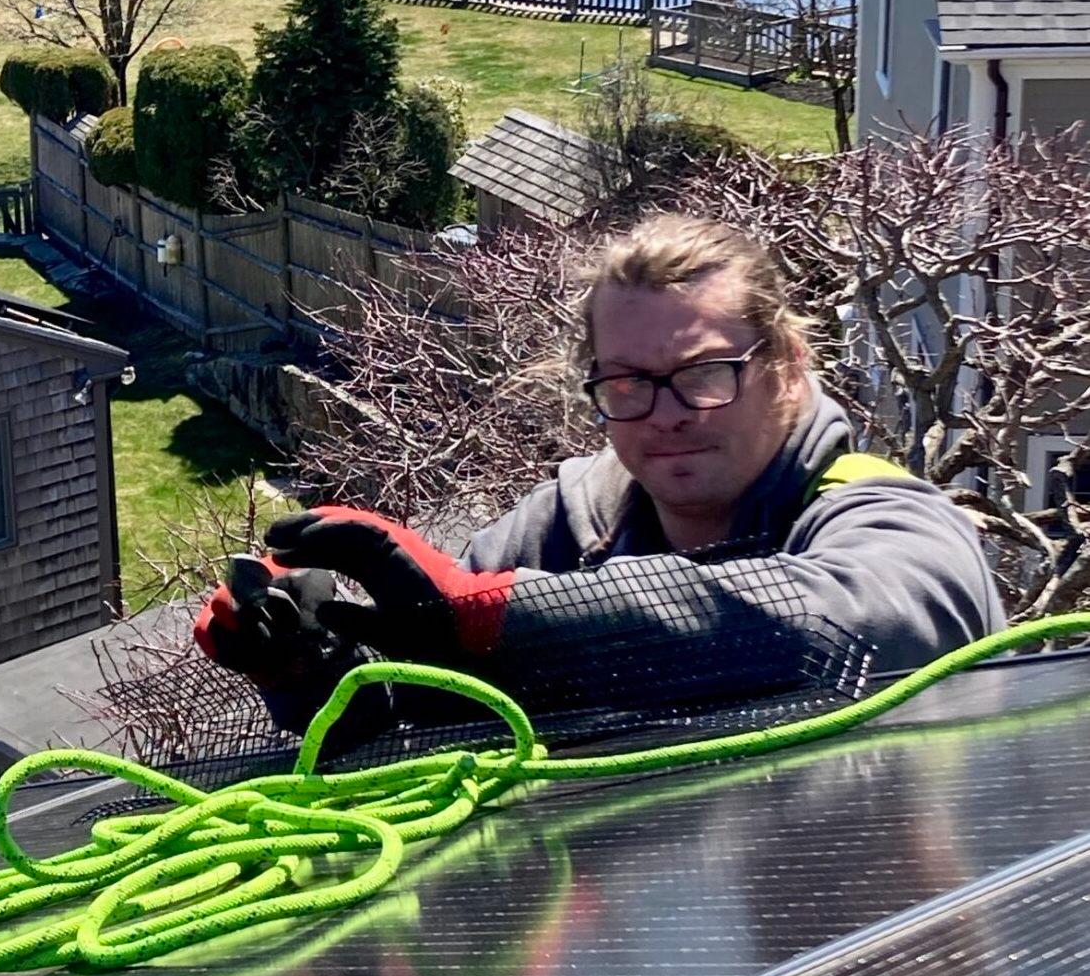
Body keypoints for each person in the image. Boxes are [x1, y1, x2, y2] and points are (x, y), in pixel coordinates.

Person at [195, 215, 1003, 733]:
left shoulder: (892, 516)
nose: (666, 413)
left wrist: (498, 619)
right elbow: (421, 713)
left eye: (706, 373)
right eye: (627, 384)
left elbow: (851, 629)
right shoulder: (566, 522)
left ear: (788, 366)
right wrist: (313, 670)